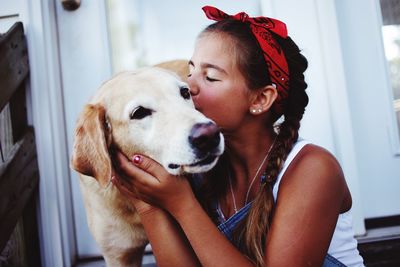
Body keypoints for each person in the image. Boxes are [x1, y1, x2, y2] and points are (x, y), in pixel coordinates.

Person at [112, 6, 364, 267]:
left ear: (260, 99)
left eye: (209, 77)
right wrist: (148, 205)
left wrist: (183, 206)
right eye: (191, 71)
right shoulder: (200, 169)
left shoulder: (314, 170)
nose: (188, 86)